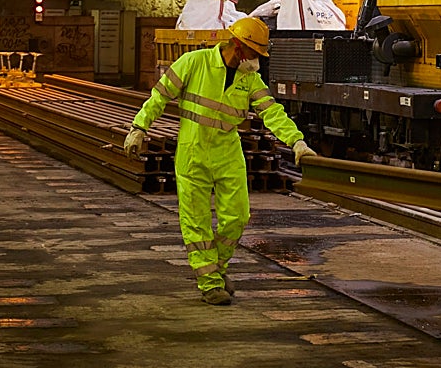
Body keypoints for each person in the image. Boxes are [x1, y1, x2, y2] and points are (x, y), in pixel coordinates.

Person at [124, 16, 317, 306]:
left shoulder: (249, 78)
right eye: (254, 54)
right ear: (238, 47)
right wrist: (139, 128)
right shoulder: (194, 63)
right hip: (194, 153)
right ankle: (210, 283)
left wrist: (297, 141)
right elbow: (159, 97)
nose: (257, 61)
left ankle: (218, 268)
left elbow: (272, 112)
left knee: (237, 217)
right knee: (197, 222)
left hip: (228, 153)